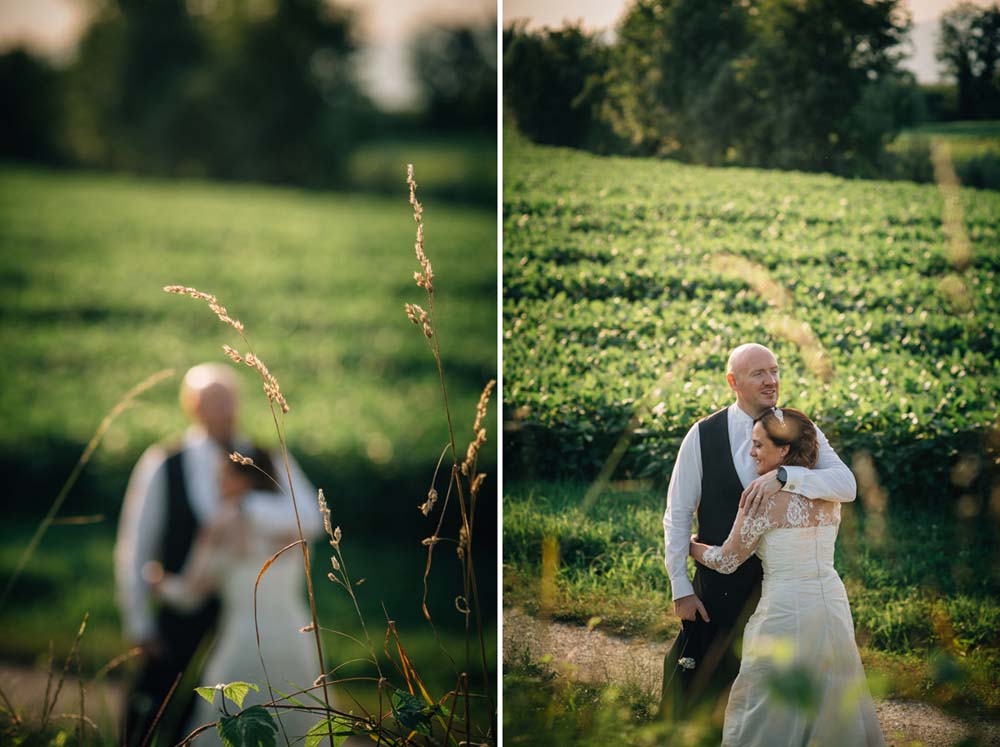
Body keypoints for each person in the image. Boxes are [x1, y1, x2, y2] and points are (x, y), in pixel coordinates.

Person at [115, 363, 322, 747]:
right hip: (189, 597)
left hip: (249, 613)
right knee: (153, 697)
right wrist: (139, 620)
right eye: (214, 403)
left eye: (230, 401)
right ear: (191, 407)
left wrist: (245, 511)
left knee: (222, 709)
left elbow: (309, 517)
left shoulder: (266, 454)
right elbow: (136, 543)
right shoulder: (164, 461)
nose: (226, 412)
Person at [659, 343, 856, 721]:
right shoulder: (702, 435)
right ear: (733, 381)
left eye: (775, 370)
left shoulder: (800, 429)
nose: (772, 381)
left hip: (782, 591)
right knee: (698, 686)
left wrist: (786, 476)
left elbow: (845, 485)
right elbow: (678, 514)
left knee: (776, 699)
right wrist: (680, 588)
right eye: (759, 374)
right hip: (720, 587)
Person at [689, 407, 884, 746]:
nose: (752, 453)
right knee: (831, 695)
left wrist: (690, 546)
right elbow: (845, 486)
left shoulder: (761, 498)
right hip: (831, 605)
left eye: (758, 446)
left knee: (769, 702)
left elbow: (727, 560)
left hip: (785, 610)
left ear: (782, 450)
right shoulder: (828, 493)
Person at [150, 448, 321, 746]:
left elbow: (190, 595)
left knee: (230, 728)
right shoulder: (295, 525)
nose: (217, 485)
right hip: (296, 639)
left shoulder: (219, 526)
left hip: (244, 642)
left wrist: (158, 582)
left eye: (222, 477)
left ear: (243, 479)